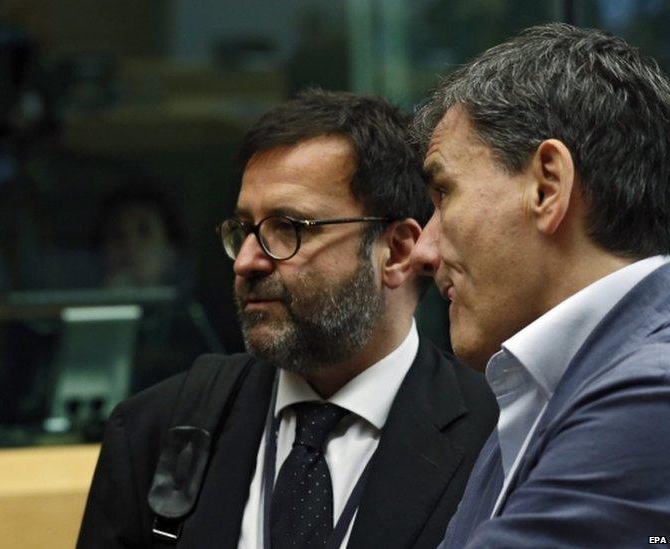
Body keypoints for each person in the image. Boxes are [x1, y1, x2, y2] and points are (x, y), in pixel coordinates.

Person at [78, 89, 497, 548]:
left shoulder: (494, 439)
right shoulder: (156, 431)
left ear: (396, 252)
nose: (247, 262)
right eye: (244, 230)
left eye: (290, 229)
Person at [409, 23, 670, 547]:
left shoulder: (653, 389)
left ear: (548, 186)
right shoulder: (541, 389)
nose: (423, 250)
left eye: (443, 194)